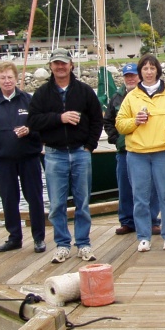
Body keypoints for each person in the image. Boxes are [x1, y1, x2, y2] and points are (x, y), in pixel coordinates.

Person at [28, 48, 103, 263]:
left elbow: (97, 120)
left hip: (81, 153)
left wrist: (90, 145)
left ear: (71, 65)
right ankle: (62, 244)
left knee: (83, 202)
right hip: (54, 154)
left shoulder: (84, 91)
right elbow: (32, 121)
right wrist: (58, 118)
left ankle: (83, 243)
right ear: (51, 67)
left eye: (64, 63)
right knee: (57, 204)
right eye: (56, 63)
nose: (60, 67)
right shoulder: (42, 94)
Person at [116, 54, 165, 253]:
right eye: (145, 68)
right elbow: (120, 124)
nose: (149, 71)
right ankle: (143, 236)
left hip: (164, 151)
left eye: (152, 68)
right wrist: (135, 121)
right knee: (140, 197)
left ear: (158, 70)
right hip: (137, 153)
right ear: (140, 73)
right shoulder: (131, 97)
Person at [0, 62, 46, 253]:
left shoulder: (28, 100)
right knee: (9, 199)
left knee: (34, 198)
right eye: (3, 78)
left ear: (16, 79)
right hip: (3, 160)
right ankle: (14, 237)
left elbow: (41, 126)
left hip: (29, 158)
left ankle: (39, 238)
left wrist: (30, 130)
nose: (7, 81)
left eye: (10, 77)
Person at [103, 63, 162, 236]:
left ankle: (152, 221)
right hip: (124, 150)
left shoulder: (146, 95)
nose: (130, 79)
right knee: (125, 187)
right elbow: (108, 121)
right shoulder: (116, 97)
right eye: (127, 76)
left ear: (140, 76)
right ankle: (127, 221)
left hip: (145, 148)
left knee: (149, 187)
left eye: (133, 75)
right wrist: (116, 139)